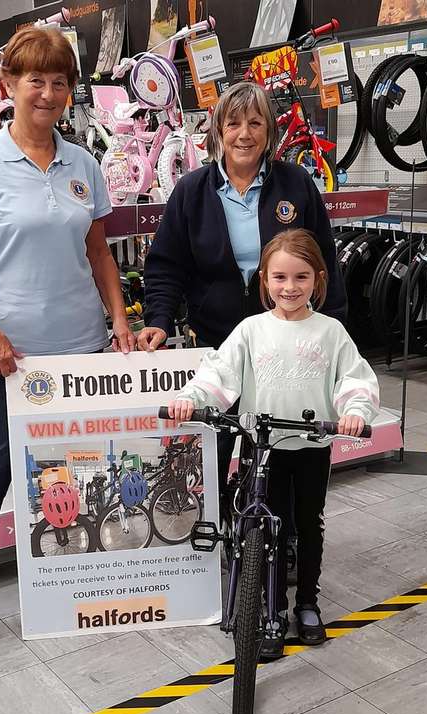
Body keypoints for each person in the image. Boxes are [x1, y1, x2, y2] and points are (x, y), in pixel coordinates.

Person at [0, 27, 134, 673]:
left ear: (70, 91)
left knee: (73, 469)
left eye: (58, 81)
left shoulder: (81, 162)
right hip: (8, 358)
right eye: (35, 80)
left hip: (79, 351)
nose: (47, 92)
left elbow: (98, 251)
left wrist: (119, 322)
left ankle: (76, 588)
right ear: (9, 85)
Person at [168, 229, 379, 656]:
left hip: (311, 450)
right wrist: (191, 399)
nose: (289, 287)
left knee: (307, 525)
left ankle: (307, 605)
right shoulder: (251, 330)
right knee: (266, 529)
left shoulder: (330, 332)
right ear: (264, 279)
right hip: (263, 449)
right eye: (279, 277)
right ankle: (272, 612)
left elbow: (354, 378)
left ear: (317, 280)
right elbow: (218, 374)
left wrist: (355, 411)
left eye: (301, 277)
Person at [137, 80, 347, 494]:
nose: (244, 134)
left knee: (276, 457)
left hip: (284, 348)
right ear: (217, 130)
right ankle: (219, 544)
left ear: (269, 130)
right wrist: (158, 320)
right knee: (213, 456)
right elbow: (166, 265)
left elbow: (324, 261)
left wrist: (335, 329)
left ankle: (270, 541)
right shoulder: (191, 191)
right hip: (217, 343)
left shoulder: (295, 184)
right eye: (233, 123)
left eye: (255, 123)